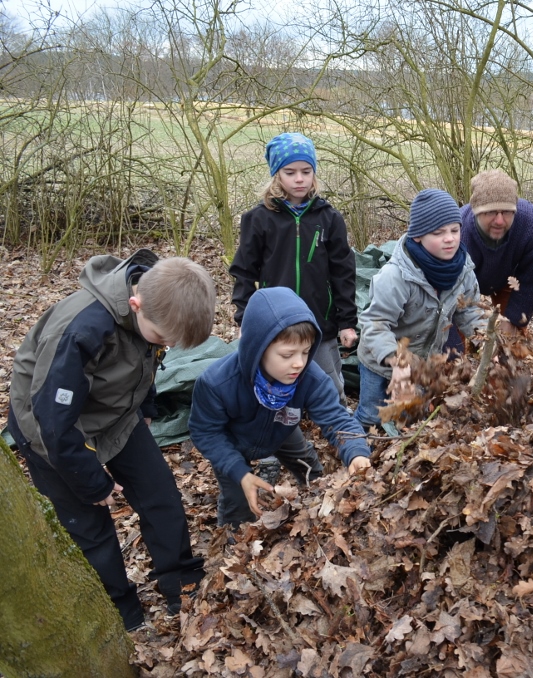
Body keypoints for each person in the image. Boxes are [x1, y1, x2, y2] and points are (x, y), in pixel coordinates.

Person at [6, 250, 217, 631]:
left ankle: (181, 583)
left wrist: (147, 405)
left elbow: (148, 357)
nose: (164, 344)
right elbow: (53, 422)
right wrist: (92, 481)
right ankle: (121, 611)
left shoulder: (156, 306)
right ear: (134, 305)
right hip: (47, 430)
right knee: (89, 525)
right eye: (162, 337)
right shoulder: (82, 328)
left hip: (115, 413)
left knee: (159, 493)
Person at [188, 287, 372, 528]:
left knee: (310, 469)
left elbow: (336, 418)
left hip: (281, 427)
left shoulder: (310, 378)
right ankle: (233, 536)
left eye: (306, 352)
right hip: (233, 439)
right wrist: (240, 472)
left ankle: (317, 511)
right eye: (287, 355)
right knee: (238, 498)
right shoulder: (217, 382)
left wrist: (357, 451)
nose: (299, 363)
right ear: (258, 349)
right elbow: (206, 431)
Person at [229, 132, 358, 403]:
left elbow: (343, 272)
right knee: (275, 379)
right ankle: (278, 423)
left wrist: (347, 322)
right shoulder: (258, 219)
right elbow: (244, 272)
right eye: (290, 172)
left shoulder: (330, 218)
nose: (299, 179)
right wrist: (243, 317)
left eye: (306, 171)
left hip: (319, 320)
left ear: (314, 174)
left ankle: (338, 423)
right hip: (275, 321)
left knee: (329, 383)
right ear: (277, 174)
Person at [356, 188, 488, 431]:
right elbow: (374, 324)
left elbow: (469, 312)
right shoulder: (396, 276)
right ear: (417, 236)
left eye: (454, 230)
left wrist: (489, 341)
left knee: (411, 421)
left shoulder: (463, 270)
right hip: (380, 361)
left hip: (424, 363)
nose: (449, 238)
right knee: (372, 418)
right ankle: (359, 456)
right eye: (438, 232)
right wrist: (398, 363)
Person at [443, 169, 533, 353]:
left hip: (510, 278)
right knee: (454, 349)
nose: (499, 220)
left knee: (510, 340)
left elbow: (530, 279)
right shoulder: (457, 233)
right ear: (476, 211)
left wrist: (512, 320)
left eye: (507, 212)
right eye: (491, 212)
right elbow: (449, 296)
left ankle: (506, 373)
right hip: (465, 284)